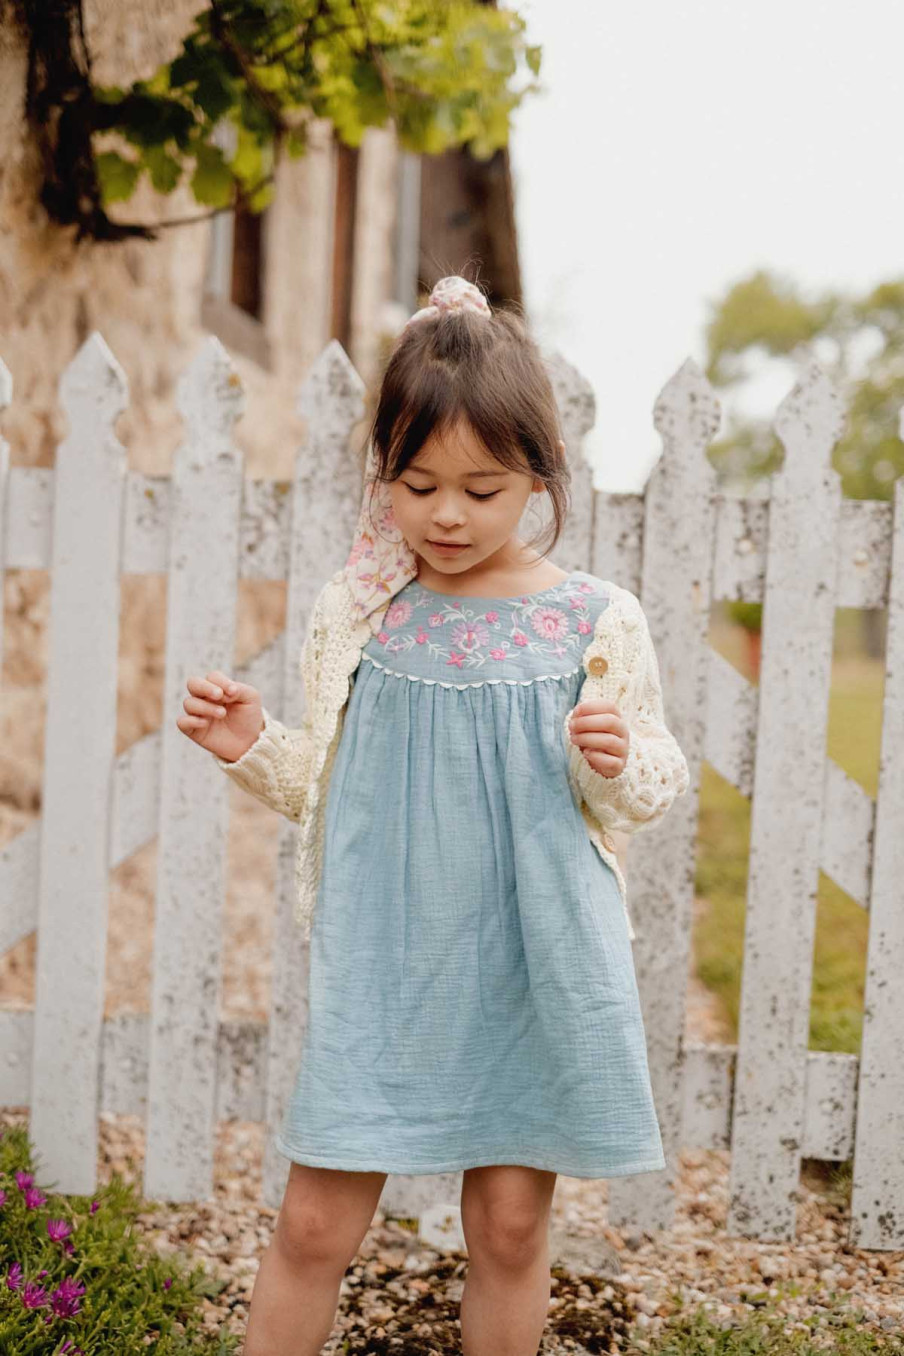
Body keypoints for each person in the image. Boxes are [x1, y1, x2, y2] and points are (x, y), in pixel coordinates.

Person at [177, 274, 690, 1356]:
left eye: (481, 488)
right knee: (313, 1224)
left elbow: (649, 787)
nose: (446, 514)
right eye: (417, 485)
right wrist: (254, 746)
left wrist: (614, 759)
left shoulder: (594, 620)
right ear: (383, 475)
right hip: (390, 962)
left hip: (532, 960)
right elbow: (340, 796)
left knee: (507, 1227)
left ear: (540, 473)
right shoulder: (363, 613)